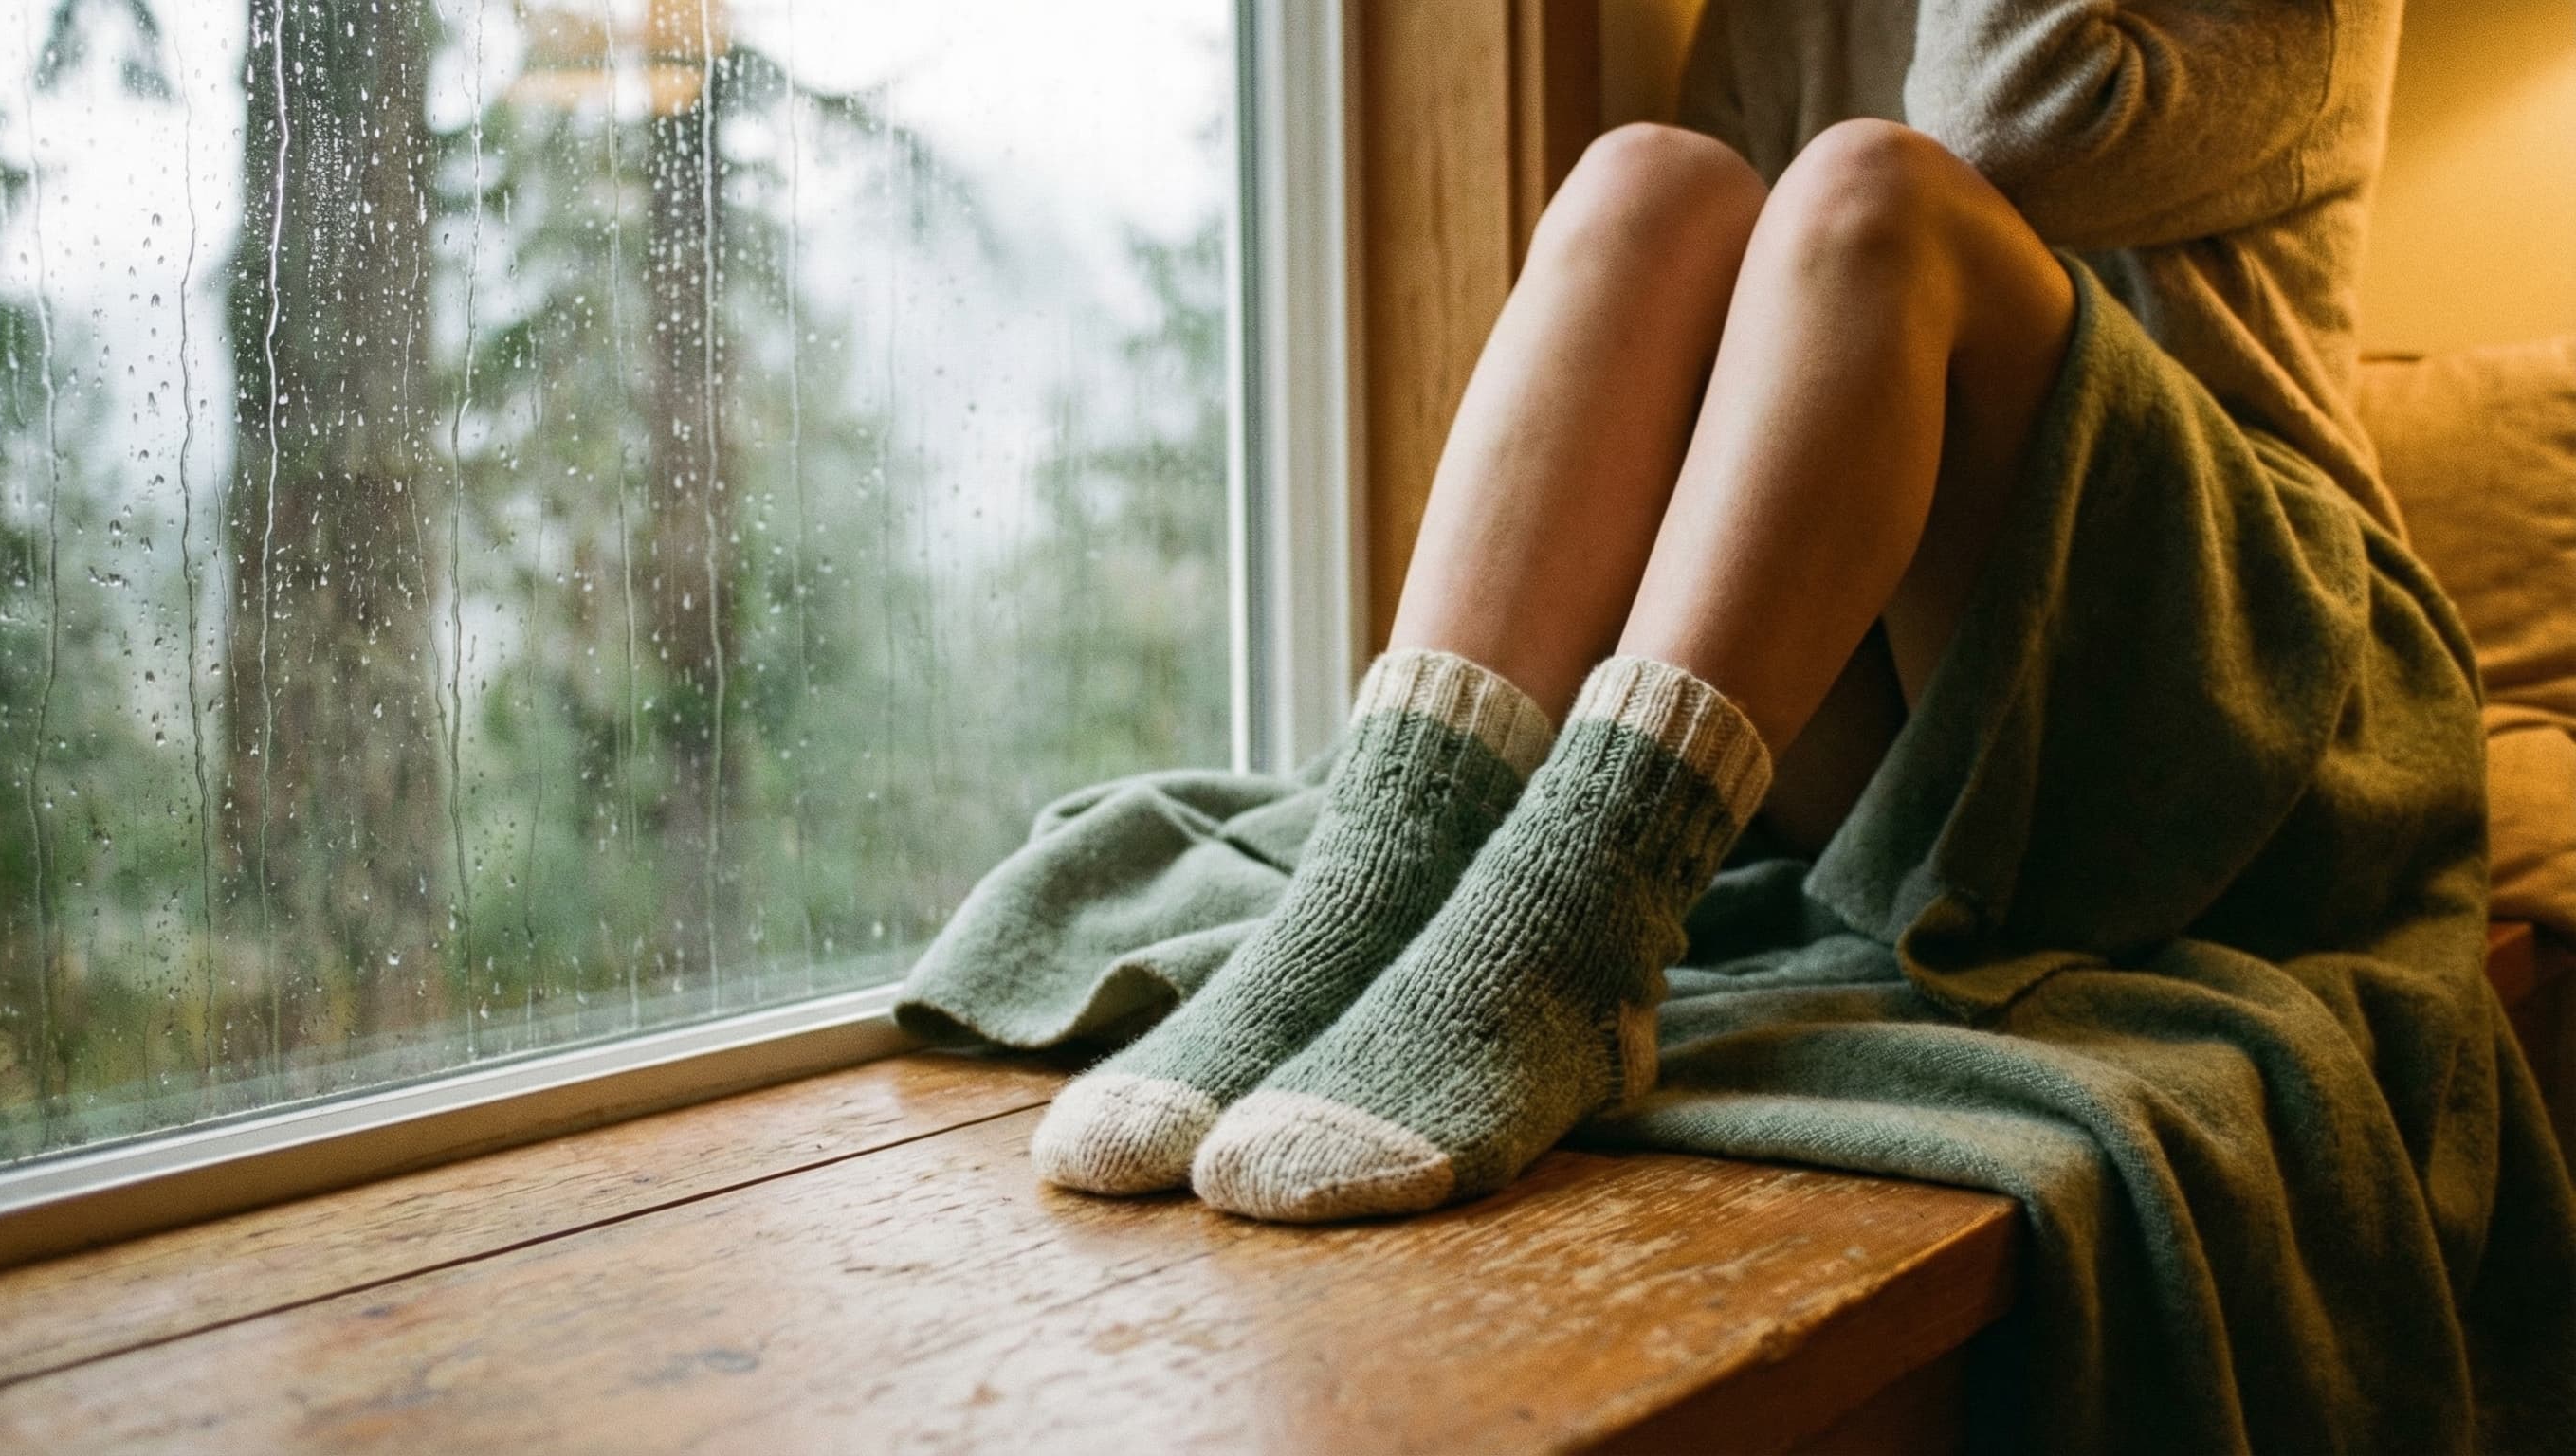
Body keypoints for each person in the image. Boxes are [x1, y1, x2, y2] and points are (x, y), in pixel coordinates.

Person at [909, 5, 2574, 1442]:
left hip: (2250, 696)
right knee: (1651, 181)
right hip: (1917, 732)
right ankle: (1374, 892)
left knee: (1869, 190)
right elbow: (1741, 330)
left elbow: (1997, 134)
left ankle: (1573, 936)